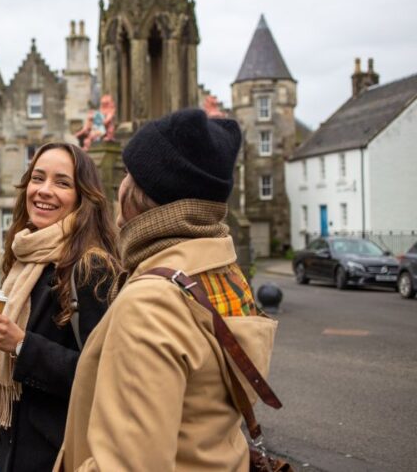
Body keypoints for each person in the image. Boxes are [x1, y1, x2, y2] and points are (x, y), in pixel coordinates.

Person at [55, 109, 278, 471]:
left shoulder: (151, 304)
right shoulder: (225, 274)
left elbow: (128, 464)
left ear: (139, 193)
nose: (119, 184)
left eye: (128, 173)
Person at [0, 142, 120, 472]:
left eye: (62, 182)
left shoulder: (92, 267)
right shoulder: (26, 257)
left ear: (83, 196)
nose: (44, 191)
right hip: (20, 451)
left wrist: (19, 344)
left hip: (64, 455)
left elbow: (104, 374)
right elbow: (19, 395)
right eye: (38, 178)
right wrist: (1, 458)